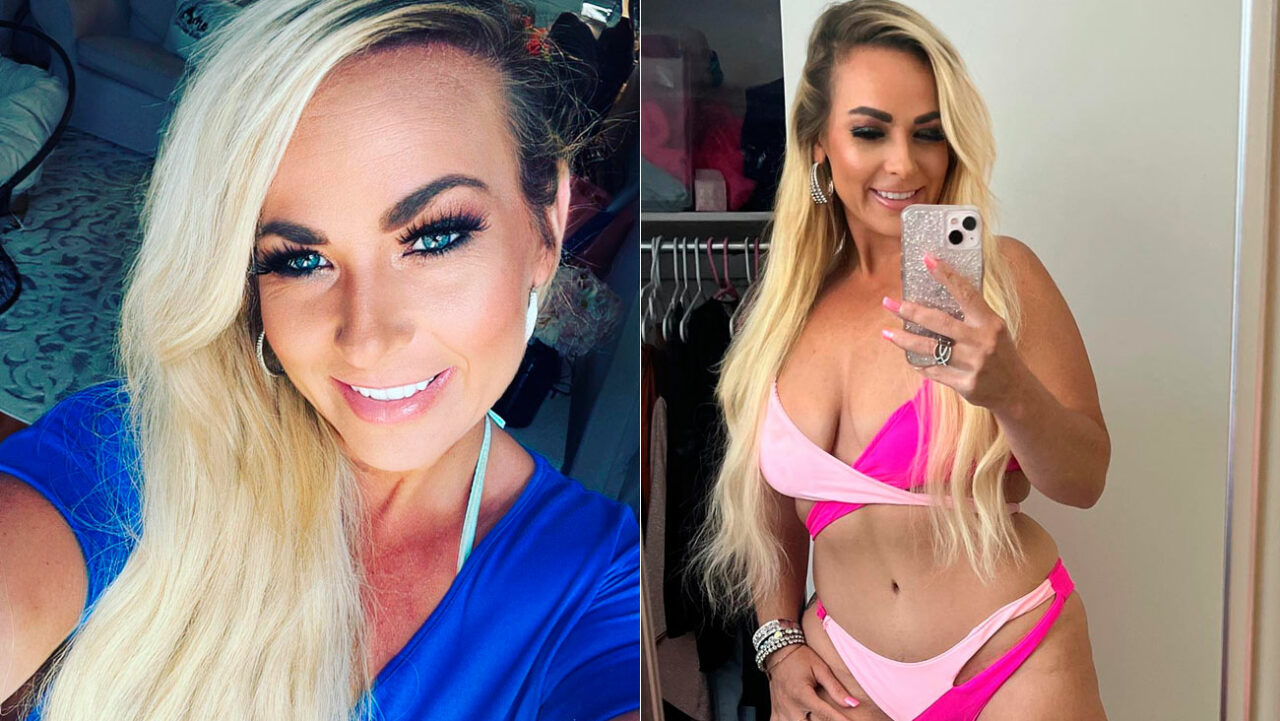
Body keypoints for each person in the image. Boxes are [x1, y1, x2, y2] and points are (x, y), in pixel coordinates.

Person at [0, 1, 639, 720]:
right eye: (300, 259)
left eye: (434, 237)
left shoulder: (602, 585)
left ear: (546, 227)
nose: (365, 339)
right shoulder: (133, 450)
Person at [696, 2, 1110, 719]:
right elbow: (770, 509)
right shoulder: (784, 311)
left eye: (928, 133)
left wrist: (1011, 390)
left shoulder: (1004, 280)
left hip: (1012, 655)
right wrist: (777, 644)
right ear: (818, 144)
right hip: (841, 674)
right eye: (870, 131)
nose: (904, 163)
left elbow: (1085, 479)